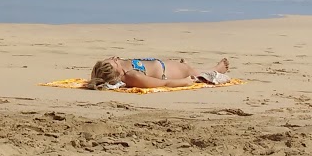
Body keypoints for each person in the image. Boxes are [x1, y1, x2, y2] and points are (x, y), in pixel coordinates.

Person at [89, 55, 231, 90]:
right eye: (114, 62)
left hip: (164, 65)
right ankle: (216, 70)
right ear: (116, 72)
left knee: (185, 67)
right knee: (192, 72)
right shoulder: (132, 76)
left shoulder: (124, 69)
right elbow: (162, 83)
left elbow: (96, 76)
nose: (115, 58)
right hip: (168, 72)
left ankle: (185, 66)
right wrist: (184, 82)